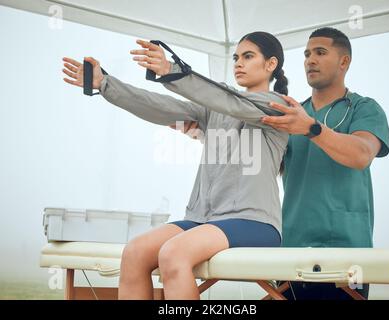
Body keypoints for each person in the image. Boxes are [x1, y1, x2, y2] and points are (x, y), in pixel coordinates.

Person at [62, 31, 289, 300]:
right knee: (135, 252)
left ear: (270, 64)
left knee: (173, 253)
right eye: (236, 57)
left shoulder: (279, 107)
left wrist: (171, 70)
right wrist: (104, 84)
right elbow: (160, 106)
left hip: (254, 222)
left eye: (248, 56)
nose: (238, 63)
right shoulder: (214, 108)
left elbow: (230, 101)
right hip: (204, 220)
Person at [176, 27, 389, 300]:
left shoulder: (363, 109)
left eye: (320, 53)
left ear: (344, 61)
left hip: (346, 256)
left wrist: (312, 129)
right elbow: (259, 163)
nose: (310, 60)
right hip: (291, 254)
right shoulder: (288, 114)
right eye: (306, 54)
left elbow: (361, 155)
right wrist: (206, 135)